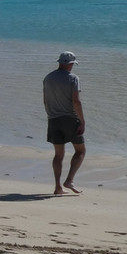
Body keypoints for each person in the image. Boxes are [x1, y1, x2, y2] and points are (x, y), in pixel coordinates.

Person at [43, 51, 85, 195]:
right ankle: (69, 180)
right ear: (70, 64)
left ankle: (57, 187)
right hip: (70, 119)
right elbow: (76, 101)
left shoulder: (48, 78)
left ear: (60, 62)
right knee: (80, 151)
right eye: (73, 64)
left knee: (58, 155)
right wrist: (82, 121)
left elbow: (45, 101)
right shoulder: (73, 78)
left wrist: (50, 115)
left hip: (53, 119)